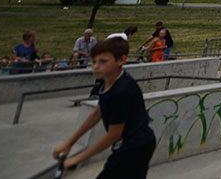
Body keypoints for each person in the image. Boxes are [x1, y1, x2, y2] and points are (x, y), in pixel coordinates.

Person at [53, 37, 156, 177]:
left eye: (103, 61)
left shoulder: (122, 91)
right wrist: (70, 142)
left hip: (136, 147)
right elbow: (98, 113)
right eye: (94, 61)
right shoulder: (108, 81)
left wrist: (77, 158)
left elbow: (114, 135)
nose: (96, 66)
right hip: (129, 144)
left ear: (121, 60)